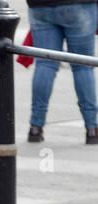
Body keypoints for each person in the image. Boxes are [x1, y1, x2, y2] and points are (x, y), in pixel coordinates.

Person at [24, 0, 97, 143]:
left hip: (40, 6)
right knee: (82, 65)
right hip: (79, 5)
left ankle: (35, 127)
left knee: (44, 64)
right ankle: (92, 128)